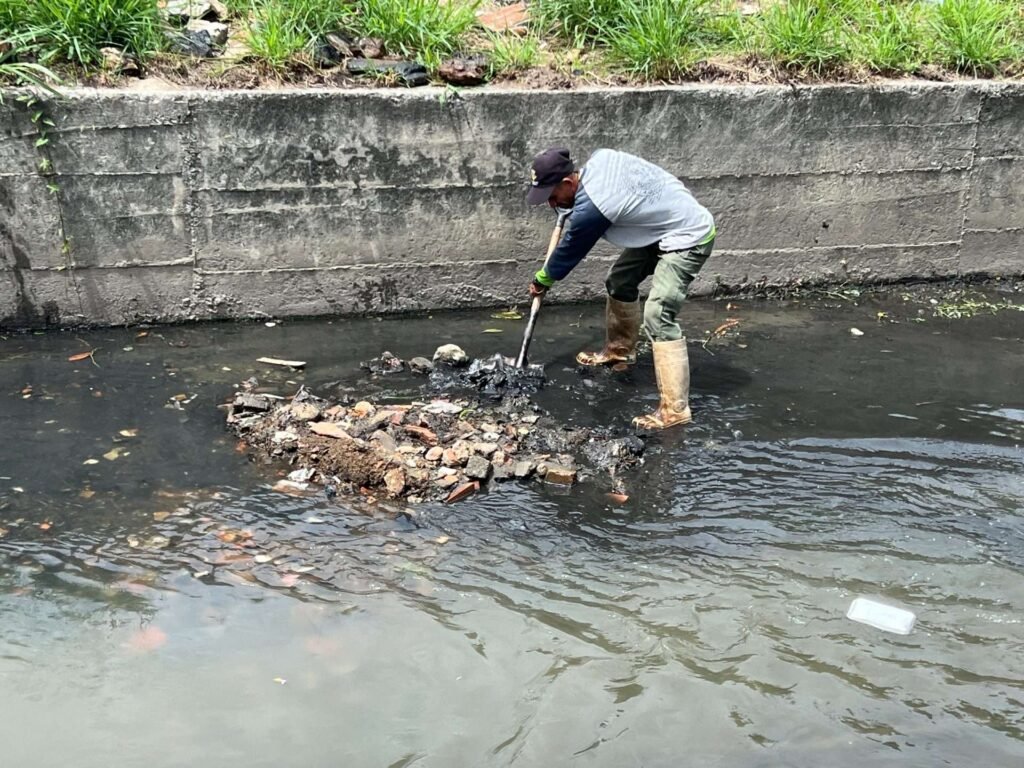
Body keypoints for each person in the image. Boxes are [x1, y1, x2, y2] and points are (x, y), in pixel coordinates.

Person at [525, 147, 716, 429]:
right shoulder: (600, 160)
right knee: (619, 281)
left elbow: (569, 252)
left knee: (659, 313)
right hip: (660, 227)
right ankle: (620, 350)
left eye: (553, 197)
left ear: (568, 183)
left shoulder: (593, 208)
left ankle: (675, 410)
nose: (553, 205)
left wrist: (542, 279)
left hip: (689, 235)